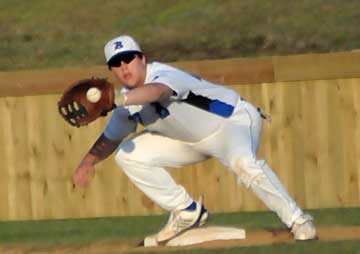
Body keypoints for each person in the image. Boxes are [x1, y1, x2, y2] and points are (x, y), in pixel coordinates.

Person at [73, 35, 317, 242]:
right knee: (127, 154)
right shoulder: (124, 102)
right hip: (188, 141)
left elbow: (157, 92)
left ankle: (299, 222)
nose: (124, 66)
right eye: (116, 63)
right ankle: (186, 211)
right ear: (111, 70)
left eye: (129, 58)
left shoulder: (162, 74)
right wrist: (87, 162)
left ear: (143, 59)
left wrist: (119, 99)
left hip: (232, 122)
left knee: (244, 164)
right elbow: (110, 138)